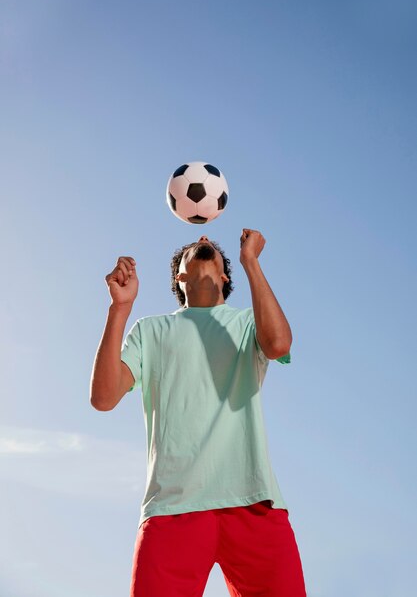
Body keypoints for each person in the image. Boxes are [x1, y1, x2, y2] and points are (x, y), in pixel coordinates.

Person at [90, 228, 306, 597]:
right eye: (194, 247)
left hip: (253, 502)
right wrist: (120, 308)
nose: (204, 239)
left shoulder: (247, 323)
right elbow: (104, 397)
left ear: (225, 276)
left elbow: (279, 343)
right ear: (180, 277)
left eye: (212, 247)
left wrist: (251, 262)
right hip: (173, 506)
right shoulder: (151, 330)